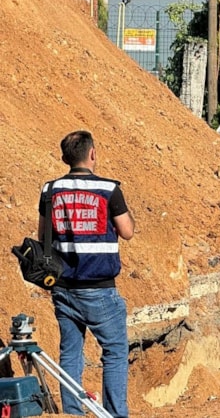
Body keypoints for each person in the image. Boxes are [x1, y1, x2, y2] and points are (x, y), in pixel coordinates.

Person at [38, 131, 135, 417]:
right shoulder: (108, 189)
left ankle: (72, 413)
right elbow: (127, 232)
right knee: (115, 352)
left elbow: (42, 235)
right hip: (99, 288)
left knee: (70, 353)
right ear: (92, 153)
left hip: (62, 286)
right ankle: (115, 414)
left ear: (65, 158)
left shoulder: (50, 190)